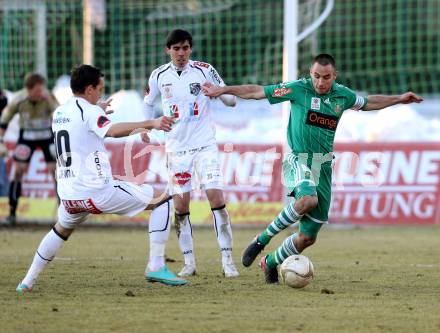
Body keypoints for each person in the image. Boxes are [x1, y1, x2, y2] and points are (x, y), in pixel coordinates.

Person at [203, 53, 423, 283]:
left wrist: (399, 98)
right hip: (297, 158)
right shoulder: (298, 89)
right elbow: (257, 91)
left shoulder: (342, 95)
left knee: (307, 238)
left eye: (326, 77)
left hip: (324, 166)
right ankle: (262, 239)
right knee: (308, 200)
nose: (320, 82)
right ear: (311, 74)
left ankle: (270, 262)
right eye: (316, 76)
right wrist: (223, 90)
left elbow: (368, 103)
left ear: (334, 76)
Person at [16, 64, 187, 294]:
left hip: (68, 195)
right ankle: (155, 265)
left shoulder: (60, 112)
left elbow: (83, 125)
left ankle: (27, 281)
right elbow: (113, 132)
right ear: (89, 89)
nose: (101, 93)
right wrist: (151, 123)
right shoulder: (89, 111)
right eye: (99, 89)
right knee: (162, 201)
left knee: (60, 230)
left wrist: (97, 109)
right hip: (97, 191)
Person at [143, 29, 239, 277]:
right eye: (176, 49)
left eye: (185, 48)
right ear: (168, 50)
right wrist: (147, 128)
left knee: (216, 199)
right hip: (176, 150)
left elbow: (231, 100)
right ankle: (189, 262)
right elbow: (147, 103)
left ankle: (227, 260)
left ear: (191, 49)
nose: (181, 53)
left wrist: (217, 93)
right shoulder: (158, 75)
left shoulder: (205, 69)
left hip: (205, 146)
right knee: (181, 206)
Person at [0, 74, 59, 224]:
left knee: (56, 172)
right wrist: (1, 140)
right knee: (18, 170)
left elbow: (60, 114)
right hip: (26, 137)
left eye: (42, 90)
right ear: (28, 90)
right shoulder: (18, 99)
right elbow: (4, 122)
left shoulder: (48, 97)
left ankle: (64, 212)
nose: (41, 93)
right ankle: (12, 212)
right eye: (38, 91)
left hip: (47, 136)